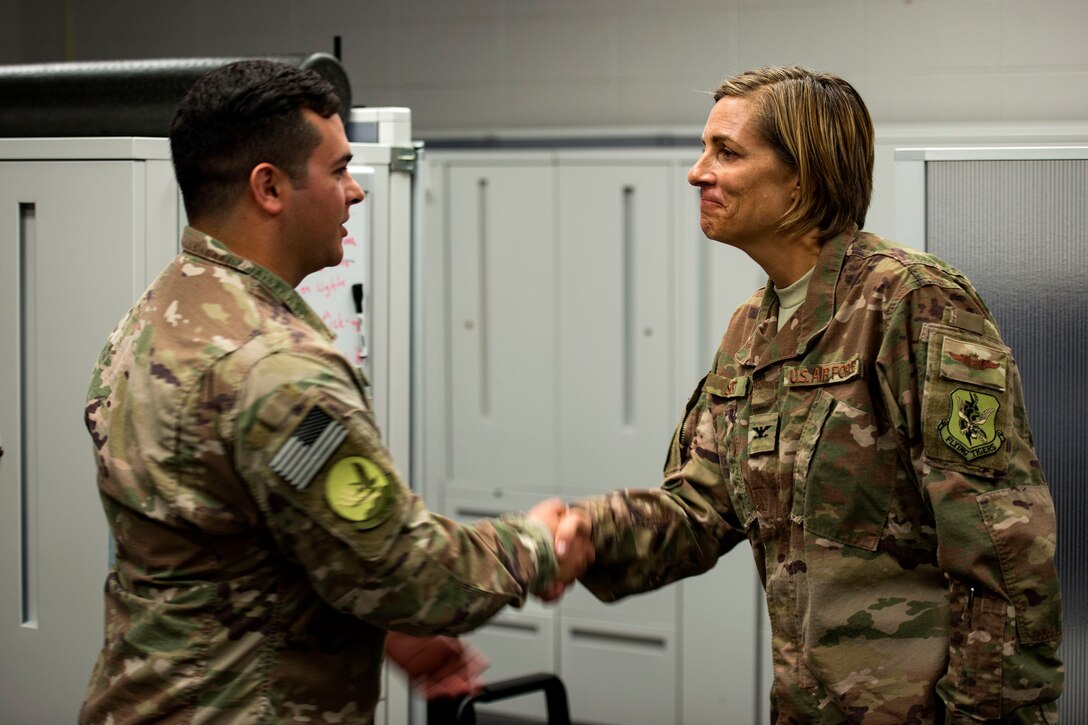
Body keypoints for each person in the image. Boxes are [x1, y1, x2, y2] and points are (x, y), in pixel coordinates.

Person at [81, 59, 590, 724]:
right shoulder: (276, 369)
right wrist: (541, 545)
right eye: (340, 169)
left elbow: (240, 540)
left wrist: (385, 624)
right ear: (270, 187)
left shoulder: (153, 319)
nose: (356, 191)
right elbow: (404, 567)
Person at [564, 66, 1063, 722]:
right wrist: (576, 536)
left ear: (803, 179)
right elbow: (700, 510)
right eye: (704, 149)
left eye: (726, 152)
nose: (697, 172)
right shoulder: (753, 330)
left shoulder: (912, 303)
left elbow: (1002, 552)